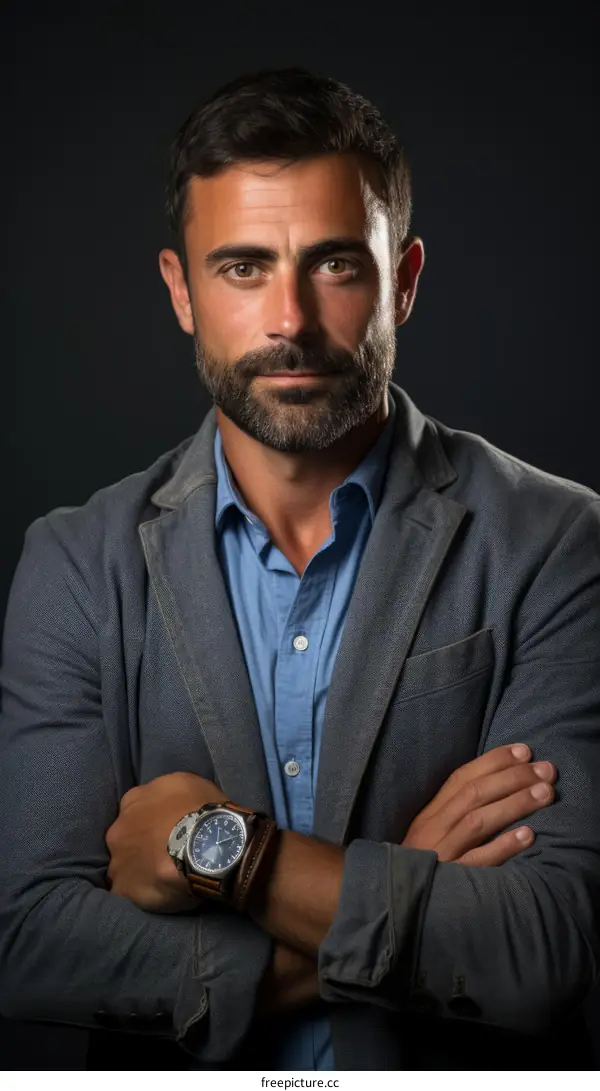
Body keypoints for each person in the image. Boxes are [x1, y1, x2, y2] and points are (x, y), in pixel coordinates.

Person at [0, 67, 599, 1073]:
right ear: (181, 290)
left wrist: (221, 845)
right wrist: (408, 882)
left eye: (332, 264)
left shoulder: (558, 540)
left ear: (402, 280)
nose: (289, 318)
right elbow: (30, 945)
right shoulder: (74, 563)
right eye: (241, 267)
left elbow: (548, 947)